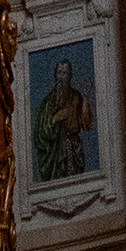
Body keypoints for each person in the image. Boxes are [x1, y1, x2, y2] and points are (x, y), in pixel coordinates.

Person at [32, 55, 94, 184]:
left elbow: (86, 123)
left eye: (65, 73)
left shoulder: (76, 96)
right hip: (54, 152)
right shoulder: (48, 101)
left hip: (73, 148)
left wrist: (85, 99)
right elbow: (40, 132)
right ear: (55, 75)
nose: (61, 77)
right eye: (59, 73)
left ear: (70, 76)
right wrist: (55, 119)